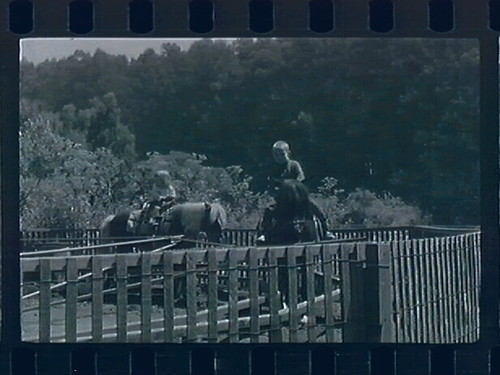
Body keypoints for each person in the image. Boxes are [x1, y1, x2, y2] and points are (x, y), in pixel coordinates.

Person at [258, 140, 333, 243]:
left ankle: (326, 230)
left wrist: (290, 185)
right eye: (276, 155)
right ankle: (263, 233)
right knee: (268, 209)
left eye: (282, 154)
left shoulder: (293, 165)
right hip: (282, 197)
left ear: (288, 153)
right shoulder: (273, 168)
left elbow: (301, 177)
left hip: (297, 194)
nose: (279, 157)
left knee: (314, 205)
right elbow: (271, 182)